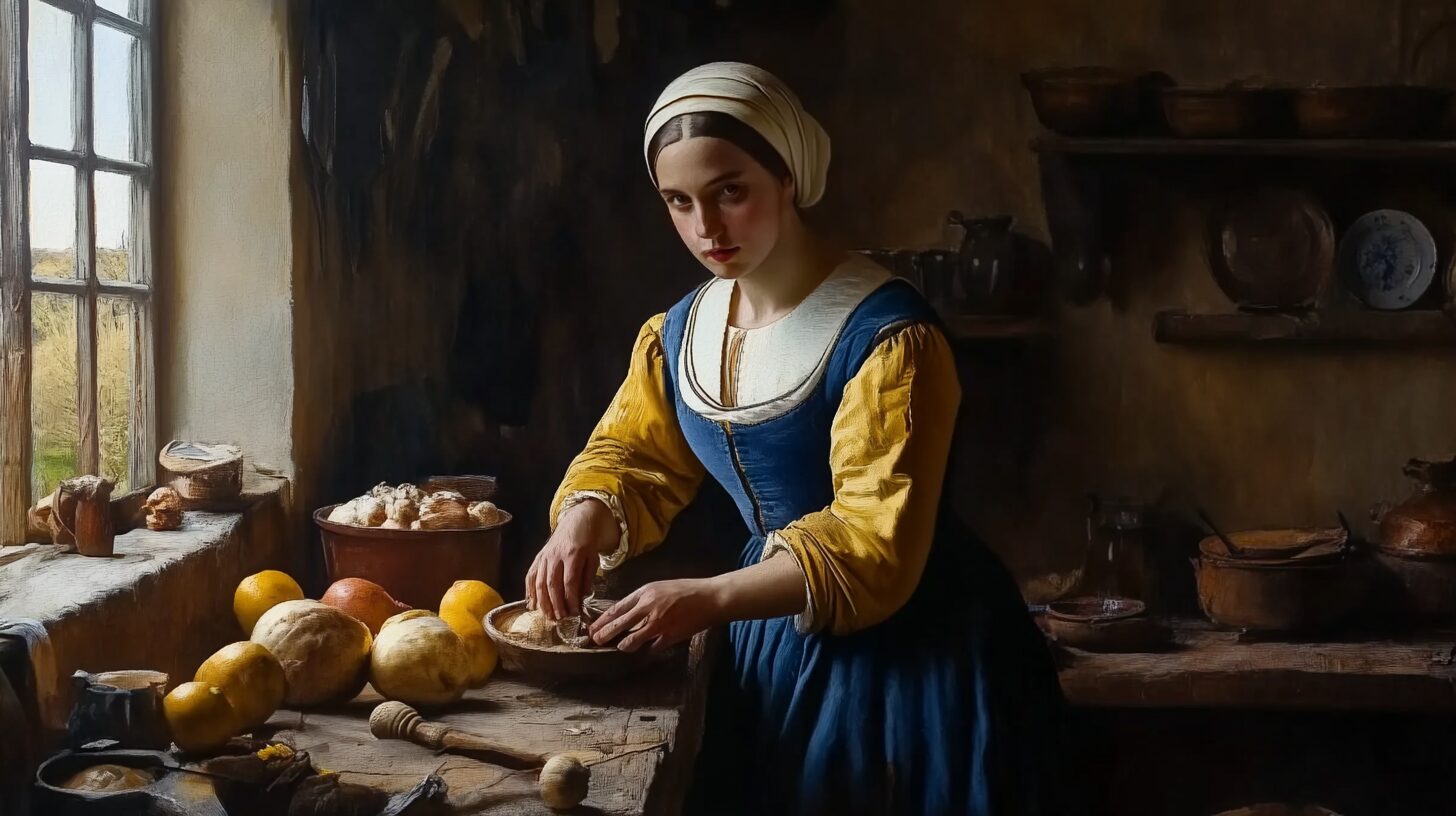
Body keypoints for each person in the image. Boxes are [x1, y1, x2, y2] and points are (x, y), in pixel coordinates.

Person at [525, 61, 1066, 815]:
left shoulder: (888, 338)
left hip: (915, 653)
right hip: (768, 641)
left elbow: (870, 544)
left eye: (730, 192)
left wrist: (711, 598)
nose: (706, 229)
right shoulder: (677, 334)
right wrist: (586, 516)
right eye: (678, 203)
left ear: (789, 178)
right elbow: (635, 455)